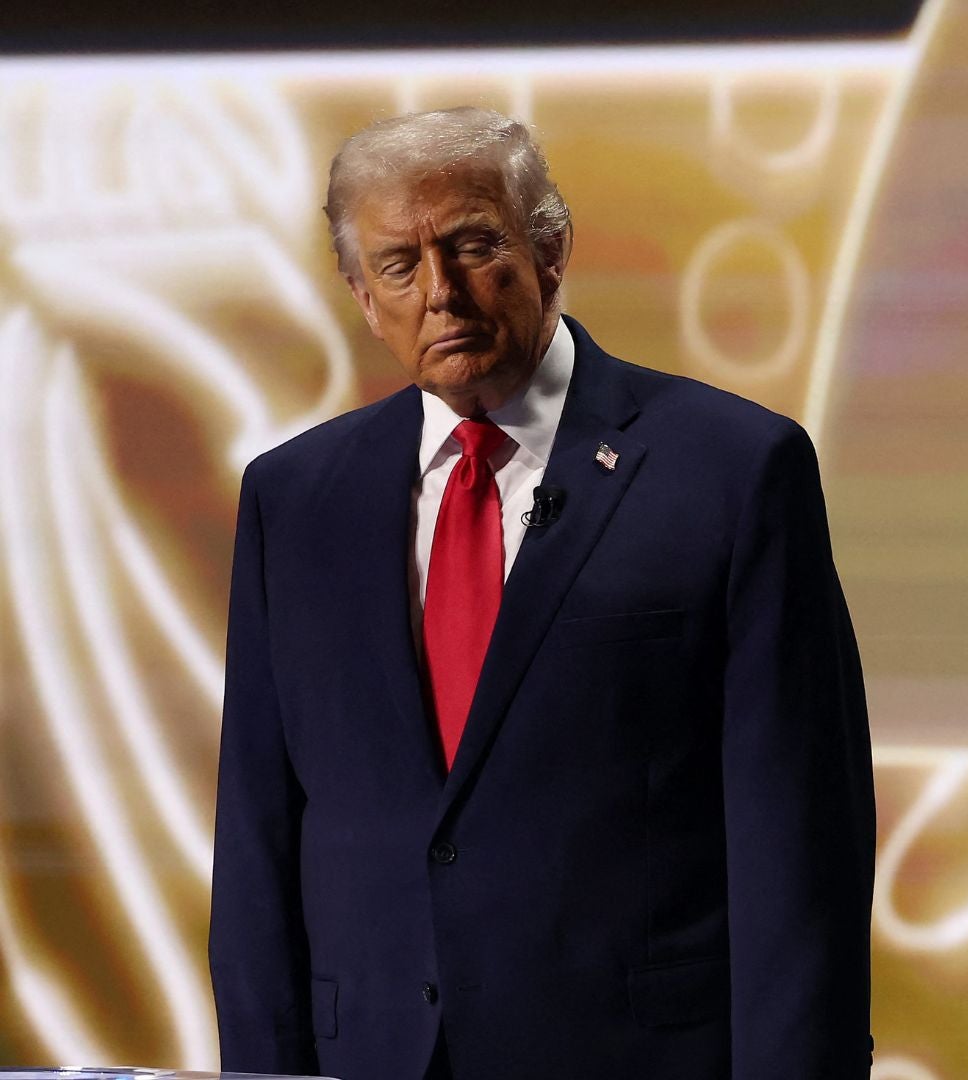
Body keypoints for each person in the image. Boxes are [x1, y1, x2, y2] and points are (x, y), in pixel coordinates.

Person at [208, 107, 875, 1080]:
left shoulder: (733, 472)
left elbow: (798, 843)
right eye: (399, 265)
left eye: (473, 246)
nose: (441, 292)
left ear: (551, 249)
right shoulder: (294, 500)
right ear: (361, 295)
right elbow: (259, 838)